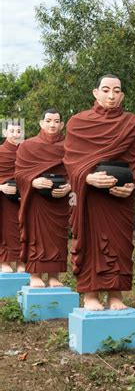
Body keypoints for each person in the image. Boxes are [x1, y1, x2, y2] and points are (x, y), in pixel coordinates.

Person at [64, 75, 135, 310]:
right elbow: (71, 162)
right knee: (89, 242)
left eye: (116, 91)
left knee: (119, 245)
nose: (111, 96)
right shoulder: (77, 123)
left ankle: (116, 294)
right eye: (106, 90)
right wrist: (88, 177)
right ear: (95, 92)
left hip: (120, 196)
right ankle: (90, 294)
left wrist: (134, 183)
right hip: (89, 197)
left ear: (122, 95)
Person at [15, 110, 71, 287]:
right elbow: (19, 173)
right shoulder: (28, 146)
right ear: (41, 123)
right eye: (48, 121)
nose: (52, 124)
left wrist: (70, 186)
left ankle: (54, 276)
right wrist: (33, 181)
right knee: (36, 237)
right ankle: (35, 275)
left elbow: (76, 170)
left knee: (58, 238)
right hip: (37, 201)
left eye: (56, 121)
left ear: (62, 124)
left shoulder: (70, 146)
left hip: (59, 199)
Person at [0, 121, 25, 273]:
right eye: (12, 131)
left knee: (24, 228)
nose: (16, 134)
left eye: (18, 131)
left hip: (24, 197)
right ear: (4, 132)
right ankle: (5, 261)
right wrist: (1, 187)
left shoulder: (27, 152)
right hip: (3, 200)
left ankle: (22, 260)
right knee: (5, 228)